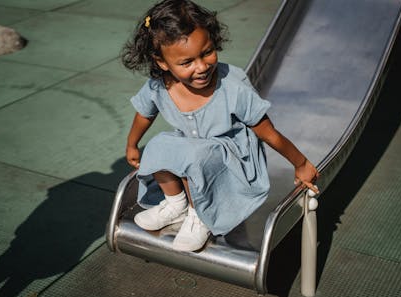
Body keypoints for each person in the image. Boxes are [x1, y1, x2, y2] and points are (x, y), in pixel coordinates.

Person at [121, 0, 319, 252]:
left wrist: (301, 164)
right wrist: (132, 144)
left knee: (194, 155)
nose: (202, 67)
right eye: (187, 62)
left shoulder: (232, 87)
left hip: (234, 163)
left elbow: (268, 133)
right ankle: (176, 204)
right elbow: (144, 114)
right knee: (159, 145)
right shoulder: (160, 85)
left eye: (207, 52)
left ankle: (200, 215)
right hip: (195, 156)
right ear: (162, 63)